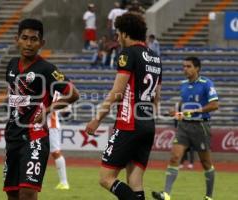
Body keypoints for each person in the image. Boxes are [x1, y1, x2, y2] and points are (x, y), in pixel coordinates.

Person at [85, 13, 162, 200]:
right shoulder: (155, 58)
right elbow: (156, 98)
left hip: (129, 124)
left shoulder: (128, 53)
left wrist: (96, 119)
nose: (117, 37)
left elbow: (117, 93)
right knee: (135, 181)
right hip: (147, 124)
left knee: (106, 178)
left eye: (118, 33)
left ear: (126, 34)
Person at [3, 18, 79, 200]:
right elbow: (14, 99)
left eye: (34, 39)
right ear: (17, 39)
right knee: (12, 194)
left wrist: (47, 110)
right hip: (13, 137)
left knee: (28, 192)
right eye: (25, 38)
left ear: (41, 43)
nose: (29, 43)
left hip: (35, 137)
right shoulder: (11, 65)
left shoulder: (47, 69)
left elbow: (73, 94)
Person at [152, 56, 219, 200]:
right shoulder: (183, 84)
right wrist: (175, 109)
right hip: (184, 126)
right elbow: (184, 101)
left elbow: (215, 105)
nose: (185, 69)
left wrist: (194, 111)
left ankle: (209, 196)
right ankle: (166, 194)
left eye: (188, 66)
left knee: (206, 163)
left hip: (201, 126)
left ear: (197, 68)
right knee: (175, 157)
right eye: (184, 66)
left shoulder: (206, 83)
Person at [48, 91, 70, 190]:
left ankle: (64, 182)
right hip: (44, 124)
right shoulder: (54, 89)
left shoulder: (53, 90)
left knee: (55, 152)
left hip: (51, 124)